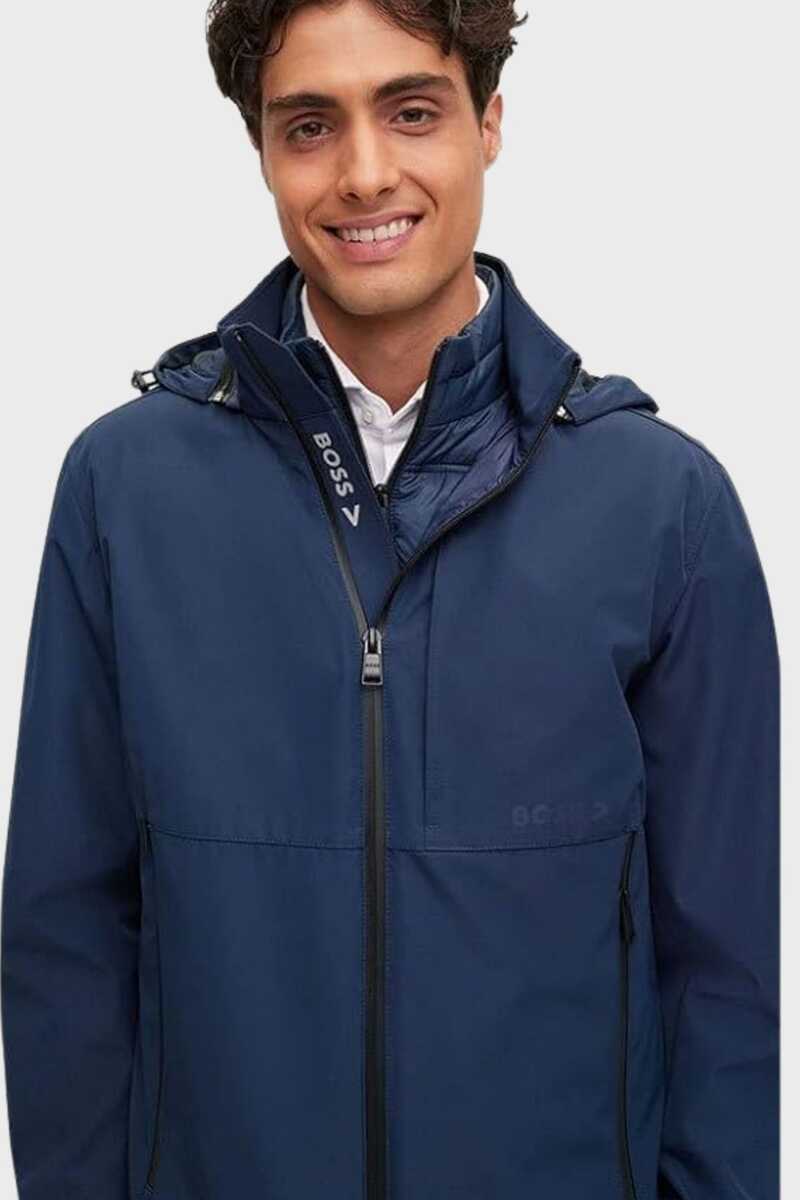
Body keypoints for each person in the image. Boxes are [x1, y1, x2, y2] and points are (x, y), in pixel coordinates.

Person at [0, 0, 780, 1197]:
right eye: (309, 125)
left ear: (488, 122)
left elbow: (722, 974)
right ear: (260, 148)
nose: (364, 175)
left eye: (411, 112)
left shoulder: (663, 507)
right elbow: (63, 938)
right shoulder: (126, 488)